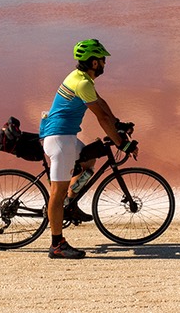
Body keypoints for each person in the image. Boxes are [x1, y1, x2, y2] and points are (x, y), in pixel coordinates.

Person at [38, 38, 135, 259]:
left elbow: (101, 104)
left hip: (66, 137)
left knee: (89, 160)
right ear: (93, 62)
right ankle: (56, 245)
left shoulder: (83, 80)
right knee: (57, 193)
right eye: (102, 60)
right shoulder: (81, 83)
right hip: (59, 140)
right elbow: (101, 118)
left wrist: (118, 124)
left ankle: (70, 203)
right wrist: (122, 143)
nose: (105, 63)